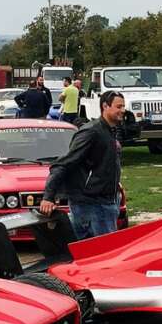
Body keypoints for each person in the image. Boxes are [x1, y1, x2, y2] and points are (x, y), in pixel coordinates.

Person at [40, 90, 125, 240]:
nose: (122, 110)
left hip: (108, 202)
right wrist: (48, 197)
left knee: (101, 254)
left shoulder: (111, 131)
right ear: (105, 106)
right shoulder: (91, 132)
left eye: (123, 106)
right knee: (103, 254)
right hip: (92, 205)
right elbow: (63, 164)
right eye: (118, 107)